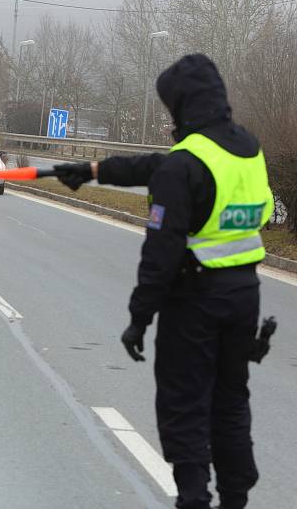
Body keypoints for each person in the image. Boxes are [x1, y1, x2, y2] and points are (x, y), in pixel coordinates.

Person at [53, 54, 274, 509]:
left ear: (182, 104)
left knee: (184, 404)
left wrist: (139, 319)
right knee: (231, 400)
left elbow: (160, 256)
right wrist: (96, 171)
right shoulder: (248, 149)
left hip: (194, 302)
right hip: (244, 298)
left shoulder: (186, 164)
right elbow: (162, 166)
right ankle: (236, 498)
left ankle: (193, 498)